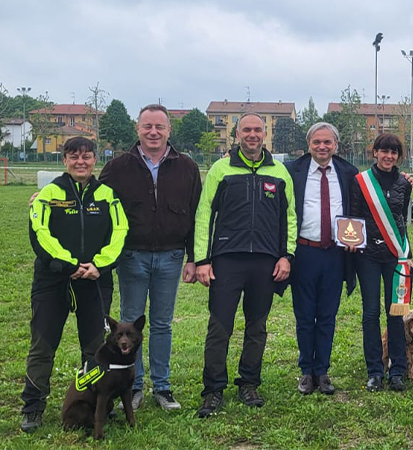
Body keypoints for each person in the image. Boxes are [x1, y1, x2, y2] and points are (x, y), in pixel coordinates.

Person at [98, 104, 201, 412]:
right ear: (138, 129)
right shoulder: (118, 167)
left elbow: (198, 216)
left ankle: (163, 387)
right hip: (132, 257)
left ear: (169, 130)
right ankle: (134, 386)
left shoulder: (187, 167)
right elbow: (93, 196)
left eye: (159, 127)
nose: (153, 132)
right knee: (129, 326)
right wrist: (50, 193)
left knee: (162, 323)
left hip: (171, 256)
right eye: (147, 127)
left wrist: (194, 258)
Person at [21, 137, 128, 432]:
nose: (81, 161)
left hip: (95, 280)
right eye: (74, 156)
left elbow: (120, 232)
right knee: (43, 346)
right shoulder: (49, 193)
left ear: (95, 160)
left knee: (95, 348)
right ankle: (33, 406)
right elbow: (39, 232)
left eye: (87, 156)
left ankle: (96, 405)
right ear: (65, 160)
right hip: (53, 279)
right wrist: (68, 264)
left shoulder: (107, 195)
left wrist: (100, 265)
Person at [193, 113, 296, 417]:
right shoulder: (219, 170)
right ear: (236, 134)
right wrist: (202, 259)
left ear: (265, 134)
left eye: (257, 130)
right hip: (227, 261)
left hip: (266, 263)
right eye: (246, 130)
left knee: (257, 327)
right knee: (219, 328)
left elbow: (289, 218)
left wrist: (286, 256)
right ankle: (213, 390)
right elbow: (203, 215)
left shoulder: (280, 172)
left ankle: (249, 383)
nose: (252, 135)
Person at [285, 122, 359, 395]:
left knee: (327, 316)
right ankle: (306, 371)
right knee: (305, 316)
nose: (322, 147)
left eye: (327, 142)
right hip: (304, 252)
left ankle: (323, 370)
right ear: (309, 145)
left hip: (335, 254)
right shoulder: (293, 171)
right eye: (317, 142)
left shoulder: (348, 172)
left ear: (336, 146)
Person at [347, 133, 413, 392]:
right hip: (368, 257)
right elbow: (353, 215)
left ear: (399, 156)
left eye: (394, 152)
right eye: (384, 151)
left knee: (396, 313)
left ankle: (397, 370)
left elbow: (400, 219)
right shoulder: (360, 181)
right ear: (374, 152)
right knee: (371, 313)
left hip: (396, 256)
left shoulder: (404, 183)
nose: (389, 156)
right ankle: (375, 371)